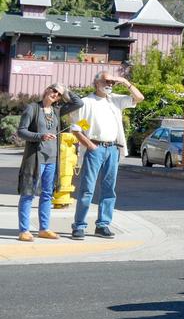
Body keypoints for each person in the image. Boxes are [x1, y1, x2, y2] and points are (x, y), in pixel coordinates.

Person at [70, 71, 145, 240]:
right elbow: (77, 129)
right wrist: (90, 145)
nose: (110, 84)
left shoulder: (115, 101)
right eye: (106, 81)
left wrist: (124, 81)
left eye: (112, 82)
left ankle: (103, 225)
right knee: (87, 189)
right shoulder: (86, 102)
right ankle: (79, 226)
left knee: (109, 189)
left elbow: (139, 98)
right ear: (96, 83)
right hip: (95, 148)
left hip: (112, 149)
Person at [15, 83, 84, 242]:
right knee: (28, 193)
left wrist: (65, 90)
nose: (55, 94)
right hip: (35, 158)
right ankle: (24, 230)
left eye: (58, 94)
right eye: (53, 90)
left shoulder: (57, 110)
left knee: (47, 194)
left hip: (52, 159)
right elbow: (21, 131)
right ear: (46, 89)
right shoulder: (32, 108)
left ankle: (44, 229)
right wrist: (40, 136)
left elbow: (78, 103)